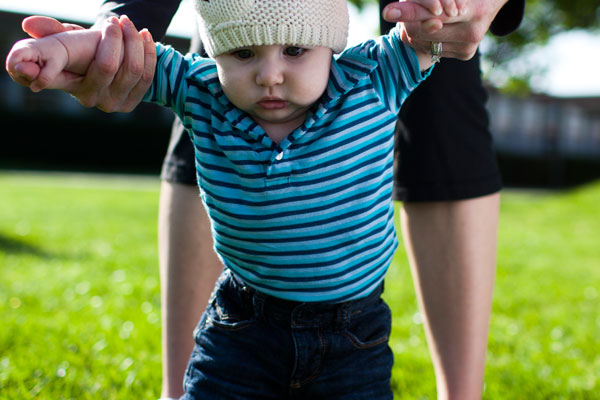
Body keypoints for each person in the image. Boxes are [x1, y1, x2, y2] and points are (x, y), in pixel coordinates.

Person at [17, 0, 525, 398]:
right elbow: (135, 57)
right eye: (243, 53)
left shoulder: (371, 80)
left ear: (330, 46)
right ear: (215, 55)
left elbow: (424, 35)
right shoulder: (202, 94)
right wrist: (64, 51)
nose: (270, 75)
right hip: (242, 327)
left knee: (448, 107)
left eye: (295, 51)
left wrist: (445, 12)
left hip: (353, 336)